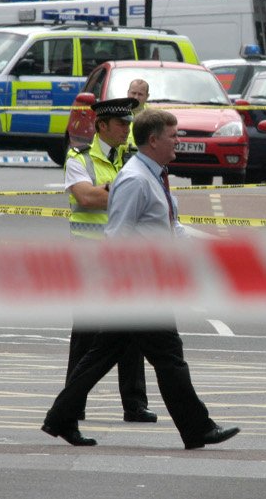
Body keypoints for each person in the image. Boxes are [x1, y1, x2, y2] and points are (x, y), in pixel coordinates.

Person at [42, 108, 240, 449]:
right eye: (173, 136)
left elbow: (171, 228)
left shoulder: (154, 176)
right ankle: (197, 428)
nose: (179, 141)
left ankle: (60, 418)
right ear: (153, 141)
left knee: (100, 356)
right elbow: (117, 236)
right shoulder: (135, 179)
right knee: (169, 357)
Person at [63, 96, 157, 425]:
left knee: (131, 333)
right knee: (87, 334)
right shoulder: (79, 158)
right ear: (101, 126)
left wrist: (110, 188)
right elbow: (86, 198)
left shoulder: (132, 157)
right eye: (121, 124)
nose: (127, 129)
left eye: (129, 124)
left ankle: (134, 404)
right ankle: (73, 404)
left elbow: (146, 195)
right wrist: (124, 190)